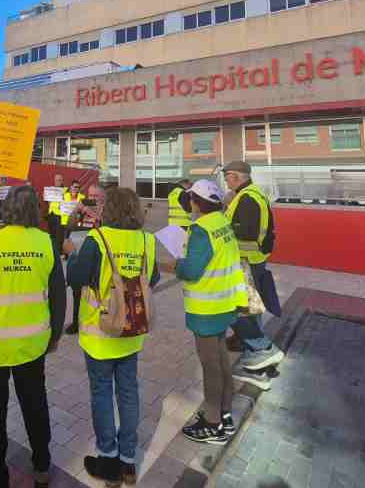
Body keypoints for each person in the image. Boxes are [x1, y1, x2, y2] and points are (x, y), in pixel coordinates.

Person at [0, 185, 65, 488]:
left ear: (6, 208)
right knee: (35, 404)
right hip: (31, 344)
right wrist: (54, 336)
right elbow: (58, 297)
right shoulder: (46, 242)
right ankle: (42, 465)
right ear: (36, 210)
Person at [65, 187, 159, 486]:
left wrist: (71, 253)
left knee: (102, 393)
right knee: (129, 392)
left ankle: (108, 459)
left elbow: (75, 278)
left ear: (111, 209)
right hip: (132, 331)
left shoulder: (98, 239)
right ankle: (129, 462)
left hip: (100, 333)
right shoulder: (147, 240)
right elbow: (153, 277)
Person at [163, 179, 247, 444]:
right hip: (224, 303)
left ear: (196, 201)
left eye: (191, 198)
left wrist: (177, 264)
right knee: (221, 359)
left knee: (210, 365)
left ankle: (213, 423)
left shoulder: (201, 229)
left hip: (207, 307)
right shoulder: (222, 222)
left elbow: (191, 270)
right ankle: (224, 411)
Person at [223, 161, 284, 390]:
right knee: (252, 308)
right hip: (254, 260)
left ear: (238, 176)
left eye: (228, 176)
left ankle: (258, 355)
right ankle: (254, 353)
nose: (227, 181)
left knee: (245, 311)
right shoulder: (251, 195)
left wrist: (221, 229)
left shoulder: (247, 198)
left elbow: (246, 232)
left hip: (247, 262)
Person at [63, 183, 105, 335]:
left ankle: (98, 320)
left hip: (97, 254)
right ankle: (76, 321)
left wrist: (93, 213)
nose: (91, 199)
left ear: (103, 198)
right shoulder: (83, 208)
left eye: (95, 196)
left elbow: (106, 226)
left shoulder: (107, 211)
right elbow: (70, 224)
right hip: (80, 250)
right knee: (76, 287)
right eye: (90, 195)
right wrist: (76, 209)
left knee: (94, 290)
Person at [45, 173, 65, 252]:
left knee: (59, 234)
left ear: (62, 181)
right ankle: (52, 249)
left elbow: (66, 202)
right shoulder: (51, 189)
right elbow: (48, 202)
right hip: (51, 214)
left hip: (60, 215)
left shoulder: (65, 190)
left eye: (60, 180)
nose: (58, 182)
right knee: (51, 233)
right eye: (56, 180)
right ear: (54, 180)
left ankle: (59, 250)